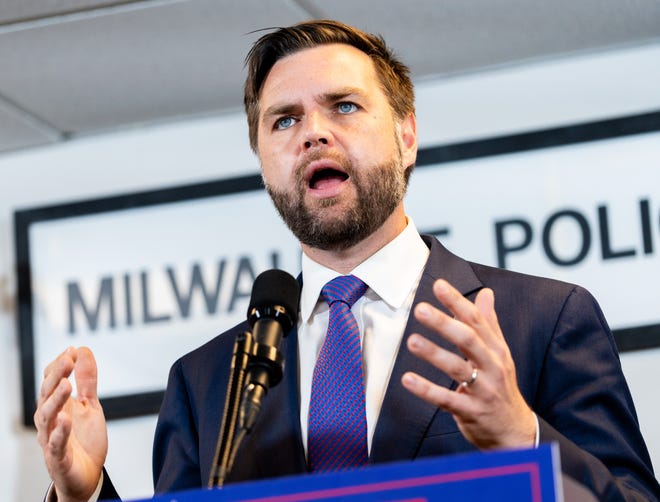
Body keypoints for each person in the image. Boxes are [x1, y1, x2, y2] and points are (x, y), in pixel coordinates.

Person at [35, 19, 660, 502]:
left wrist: (524, 436)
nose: (312, 133)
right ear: (263, 160)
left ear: (406, 134)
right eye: (283, 120)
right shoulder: (205, 384)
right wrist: (83, 491)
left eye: (344, 106)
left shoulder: (540, 320)